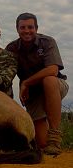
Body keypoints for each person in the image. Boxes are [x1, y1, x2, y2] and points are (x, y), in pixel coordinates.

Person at [6, 13, 69, 155]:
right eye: (23, 27)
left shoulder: (47, 42)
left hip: (55, 86)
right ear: (17, 29)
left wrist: (26, 83)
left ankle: (54, 137)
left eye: (30, 27)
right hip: (33, 94)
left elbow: (53, 69)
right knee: (42, 144)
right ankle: (46, 140)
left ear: (36, 28)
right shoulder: (11, 48)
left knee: (49, 80)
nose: (27, 31)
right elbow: (0, 63)